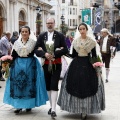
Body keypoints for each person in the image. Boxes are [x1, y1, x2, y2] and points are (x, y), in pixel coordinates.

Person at [57, 23, 105, 120]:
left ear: (87, 30)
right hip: (76, 64)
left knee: (89, 85)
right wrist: (64, 53)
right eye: (80, 29)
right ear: (78, 30)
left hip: (88, 64)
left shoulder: (92, 41)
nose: (82, 31)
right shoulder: (75, 41)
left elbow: (94, 55)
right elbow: (74, 55)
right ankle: (75, 107)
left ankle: (85, 109)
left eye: (83, 29)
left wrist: (97, 67)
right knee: (74, 84)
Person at [3, 26, 48, 114]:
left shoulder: (33, 42)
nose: (24, 33)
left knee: (29, 85)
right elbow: (14, 55)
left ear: (29, 33)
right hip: (18, 65)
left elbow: (38, 52)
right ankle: (18, 106)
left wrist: (45, 53)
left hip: (30, 65)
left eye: (26, 31)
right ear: (20, 33)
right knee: (18, 85)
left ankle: (29, 105)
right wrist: (7, 64)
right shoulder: (16, 43)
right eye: (22, 32)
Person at [34, 17, 68, 118]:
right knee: (48, 86)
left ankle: (53, 109)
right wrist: (44, 54)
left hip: (56, 63)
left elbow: (65, 49)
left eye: (51, 23)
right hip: (45, 64)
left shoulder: (60, 35)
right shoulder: (42, 35)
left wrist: (54, 54)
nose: (49, 25)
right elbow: (36, 49)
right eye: (48, 23)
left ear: (54, 23)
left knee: (54, 85)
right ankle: (51, 106)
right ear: (46, 24)